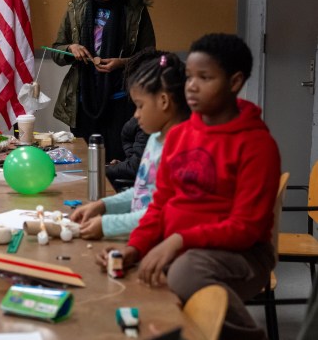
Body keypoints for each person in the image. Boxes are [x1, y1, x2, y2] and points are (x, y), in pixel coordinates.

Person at [96, 33, 281, 340]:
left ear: (234, 82)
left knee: (184, 271)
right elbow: (159, 206)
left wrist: (178, 241)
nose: (192, 86)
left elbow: (245, 227)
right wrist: (134, 248)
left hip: (242, 255)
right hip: (184, 246)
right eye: (190, 77)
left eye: (205, 77)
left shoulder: (256, 145)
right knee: (121, 269)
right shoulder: (180, 136)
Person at [71, 50, 190, 240]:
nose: (136, 115)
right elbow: (143, 191)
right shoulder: (155, 138)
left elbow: (165, 215)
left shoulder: (184, 150)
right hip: (139, 236)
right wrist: (104, 206)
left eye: (140, 106)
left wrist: (107, 225)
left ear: (163, 101)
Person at [51, 0, 156, 162]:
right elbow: (57, 51)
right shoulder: (76, 7)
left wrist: (123, 63)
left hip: (121, 101)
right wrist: (71, 48)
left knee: (117, 161)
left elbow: (150, 57)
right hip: (83, 101)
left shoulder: (135, 9)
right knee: (83, 162)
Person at [105, 116, 149, 190]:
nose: (136, 114)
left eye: (141, 107)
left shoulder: (152, 133)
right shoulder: (154, 140)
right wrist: (128, 162)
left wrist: (104, 169)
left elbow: (137, 167)